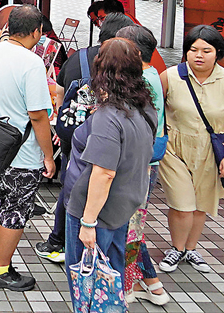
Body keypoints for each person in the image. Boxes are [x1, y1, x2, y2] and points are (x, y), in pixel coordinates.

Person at [36, 12, 138, 263]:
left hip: (75, 135)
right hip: (105, 142)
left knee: (72, 185)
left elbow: (60, 94)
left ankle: (58, 241)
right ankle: (82, 240)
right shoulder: (126, 69)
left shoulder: (76, 58)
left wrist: (65, 124)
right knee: (94, 185)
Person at [0, 5, 56, 293]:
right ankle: (1, 271)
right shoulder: (31, 63)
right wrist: (48, 155)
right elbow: (39, 115)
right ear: (36, 32)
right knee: (14, 209)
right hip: (21, 153)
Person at [157, 25, 224, 274]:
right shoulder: (170, 76)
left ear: (218, 53)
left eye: (206, 50)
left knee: (201, 205)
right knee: (182, 203)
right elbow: (153, 112)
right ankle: (177, 248)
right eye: (193, 50)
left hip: (211, 150)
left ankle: (191, 249)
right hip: (173, 148)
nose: (198, 55)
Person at [64, 38, 157, 300]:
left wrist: (88, 222)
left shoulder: (110, 116)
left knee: (88, 286)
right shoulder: (144, 106)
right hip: (125, 204)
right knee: (110, 280)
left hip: (96, 210)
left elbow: (104, 173)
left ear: (100, 68)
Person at [114, 25, 170, 306]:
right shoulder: (149, 75)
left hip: (138, 164)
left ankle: (132, 286)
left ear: (134, 52)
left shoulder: (142, 81)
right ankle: (150, 283)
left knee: (130, 226)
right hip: (143, 161)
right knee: (131, 223)